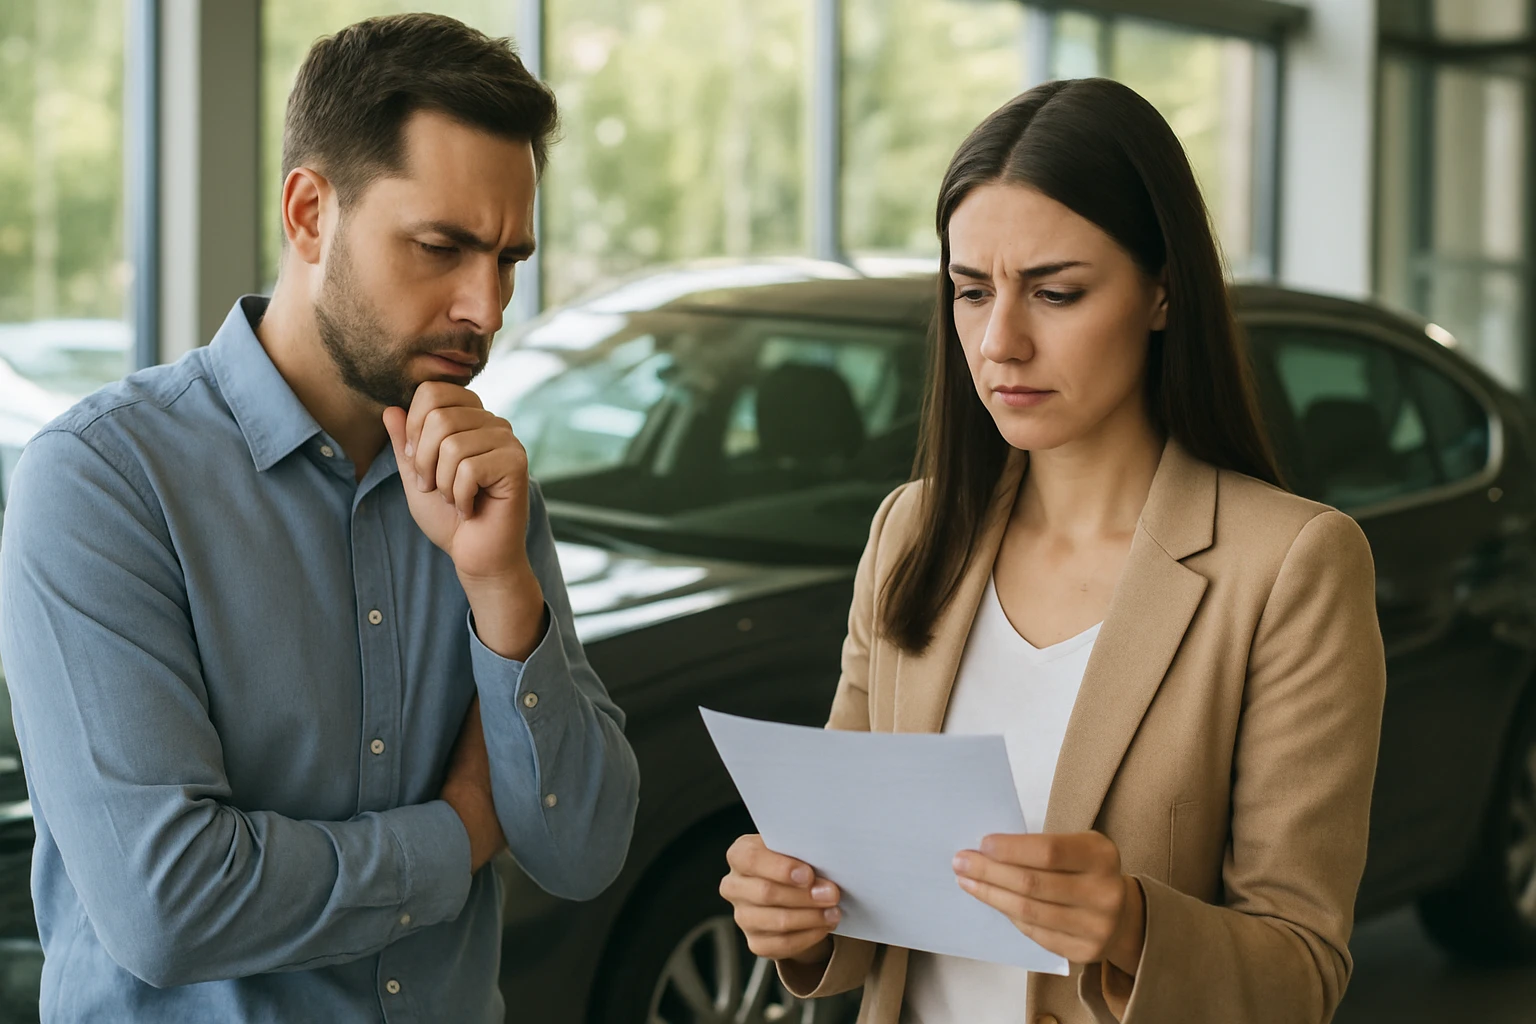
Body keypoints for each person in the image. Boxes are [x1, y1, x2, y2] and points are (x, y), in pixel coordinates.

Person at [0, 14, 639, 1023]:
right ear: (308, 213)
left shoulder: (484, 487)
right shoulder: (102, 480)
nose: (487, 305)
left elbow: (583, 849)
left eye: (511, 258)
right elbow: (169, 905)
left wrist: (500, 588)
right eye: (442, 247)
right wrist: (461, 833)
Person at [719, 77, 1387, 1024]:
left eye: (1056, 292)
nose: (999, 343)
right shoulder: (912, 529)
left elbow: (1303, 970)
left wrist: (1130, 927)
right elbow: (856, 887)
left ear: (1161, 293)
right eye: (971, 291)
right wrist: (797, 909)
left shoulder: (1289, 567)